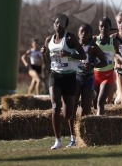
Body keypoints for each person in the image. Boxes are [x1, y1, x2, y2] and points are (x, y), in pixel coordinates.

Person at [40, 14, 87, 150]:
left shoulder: (71, 38)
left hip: (70, 76)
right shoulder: (49, 40)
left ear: (65, 26)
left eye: (61, 23)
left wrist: (69, 54)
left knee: (68, 114)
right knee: (55, 107)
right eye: (56, 23)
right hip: (55, 75)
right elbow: (46, 62)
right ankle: (57, 140)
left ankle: (72, 138)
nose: (58, 25)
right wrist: (43, 54)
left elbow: (83, 55)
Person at [67, 24, 108, 148]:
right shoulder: (73, 46)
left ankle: (83, 137)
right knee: (71, 109)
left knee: (86, 110)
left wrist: (92, 66)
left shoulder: (93, 47)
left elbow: (104, 61)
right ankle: (72, 138)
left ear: (91, 34)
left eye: (86, 32)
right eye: (81, 31)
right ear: (78, 33)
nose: (83, 34)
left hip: (88, 79)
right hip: (75, 78)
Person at [94, 17, 116, 115]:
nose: (103, 28)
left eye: (106, 26)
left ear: (110, 27)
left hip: (108, 75)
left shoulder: (114, 41)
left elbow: (119, 53)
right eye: (101, 26)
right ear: (99, 27)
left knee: (100, 101)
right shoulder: (94, 39)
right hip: (95, 75)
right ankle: (96, 121)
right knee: (95, 102)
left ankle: (98, 122)